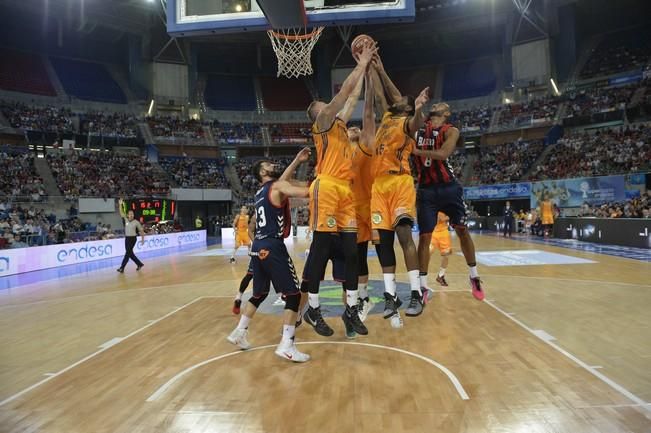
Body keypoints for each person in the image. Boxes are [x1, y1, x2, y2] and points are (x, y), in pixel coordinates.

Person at [302, 40, 377, 337]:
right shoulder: (322, 122)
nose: (328, 106)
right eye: (323, 104)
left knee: (351, 254)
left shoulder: (341, 126)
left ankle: (350, 311)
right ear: (318, 112)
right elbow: (344, 93)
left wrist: (366, 69)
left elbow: (353, 95)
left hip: (346, 192)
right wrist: (360, 63)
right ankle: (314, 309)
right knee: (320, 250)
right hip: (327, 187)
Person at [227, 149, 312, 362]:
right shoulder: (276, 186)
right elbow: (303, 193)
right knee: (293, 295)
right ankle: (287, 344)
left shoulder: (260, 193)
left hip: (258, 246)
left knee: (259, 294)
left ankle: (239, 331)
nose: (273, 164)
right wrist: (325, 182)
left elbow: (281, 183)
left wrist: (296, 160)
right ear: (262, 171)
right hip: (273, 246)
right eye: (268, 164)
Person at [369, 53, 430, 320]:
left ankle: (416, 294)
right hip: (378, 187)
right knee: (383, 244)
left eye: (401, 101)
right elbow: (385, 94)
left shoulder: (407, 121)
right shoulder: (387, 117)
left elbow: (417, 122)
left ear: (405, 108)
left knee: (404, 238)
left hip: (400, 182)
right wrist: (374, 66)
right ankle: (390, 297)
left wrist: (417, 107)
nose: (396, 100)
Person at [413, 102, 485, 301]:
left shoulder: (451, 130)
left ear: (447, 112)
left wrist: (417, 152)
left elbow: (444, 153)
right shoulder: (420, 127)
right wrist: (418, 105)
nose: (435, 104)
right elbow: (411, 117)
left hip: (449, 187)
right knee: (425, 237)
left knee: (462, 230)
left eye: (440, 105)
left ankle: (474, 276)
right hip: (426, 190)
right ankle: (423, 286)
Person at [117, 198, 145, 273]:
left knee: (127, 253)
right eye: (130, 214)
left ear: (133, 215)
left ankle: (122, 268)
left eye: (132, 214)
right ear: (128, 215)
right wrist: (120, 204)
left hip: (133, 239)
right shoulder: (125, 219)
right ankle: (139, 264)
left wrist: (142, 239)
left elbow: (141, 231)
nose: (131, 215)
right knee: (130, 253)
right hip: (127, 238)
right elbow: (121, 212)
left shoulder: (136, 222)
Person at [430, 212, 452, 287]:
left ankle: (441, 276)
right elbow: (441, 218)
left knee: (446, 256)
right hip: (433, 233)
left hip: (444, 233)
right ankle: (421, 275)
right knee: (427, 254)